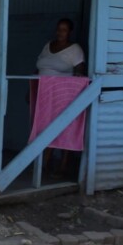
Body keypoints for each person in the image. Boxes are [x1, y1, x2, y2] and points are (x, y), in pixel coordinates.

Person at [34, 18, 86, 177]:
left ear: (70, 32)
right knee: (45, 127)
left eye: (64, 30)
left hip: (64, 95)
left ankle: (63, 166)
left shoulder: (75, 49)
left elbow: (79, 71)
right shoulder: (48, 45)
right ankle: (45, 164)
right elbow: (38, 68)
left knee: (64, 128)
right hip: (45, 94)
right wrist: (31, 90)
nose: (60, 32)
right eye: (58, 29)